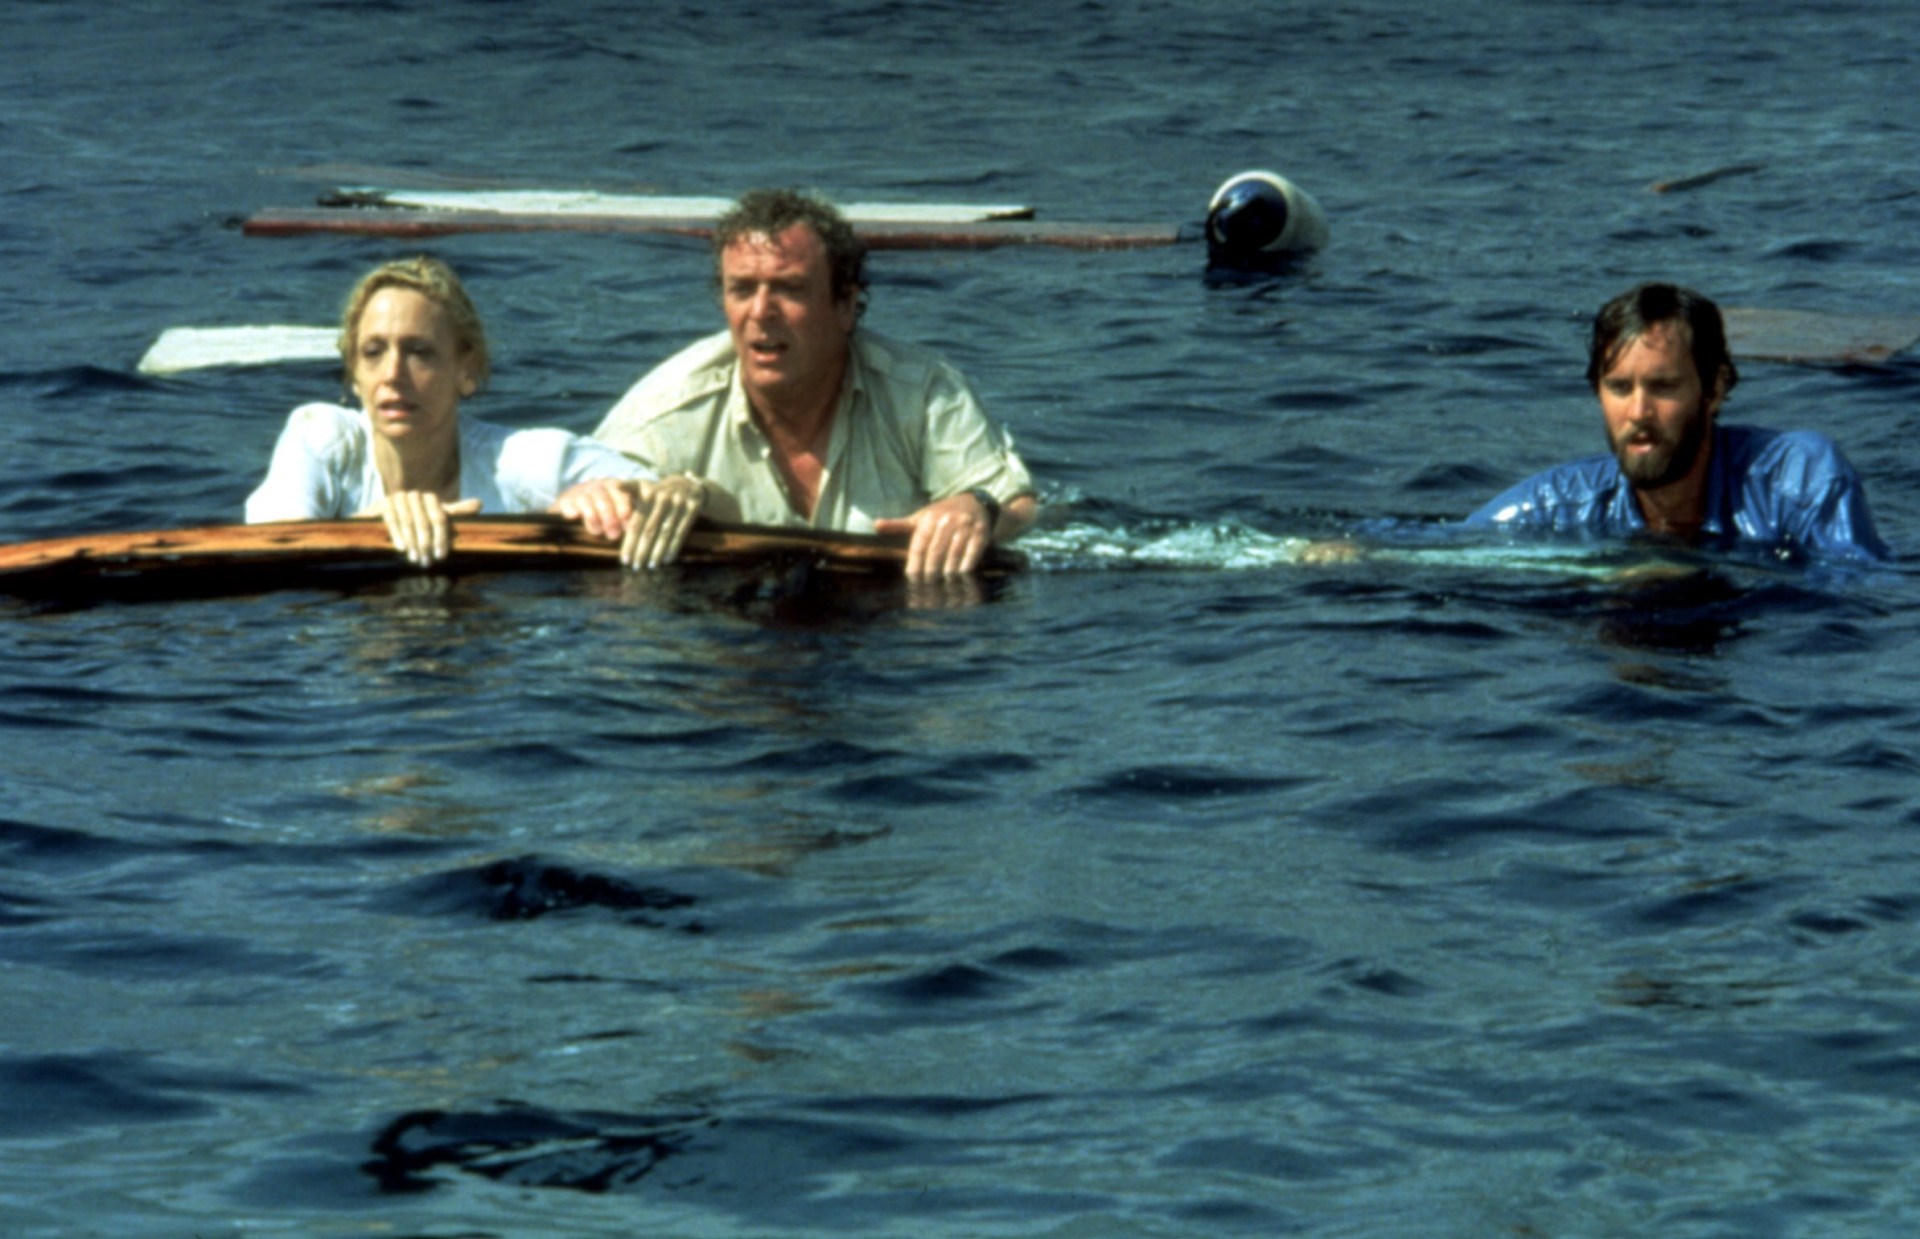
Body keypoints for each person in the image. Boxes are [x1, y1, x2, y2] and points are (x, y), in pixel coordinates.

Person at [559, 188, 1038, 580]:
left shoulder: (926, 393)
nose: (760, 312)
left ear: (845, 306)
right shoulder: (664, 407)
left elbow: (1020, 505)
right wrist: (609, 497)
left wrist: (976, 507)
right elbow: (581, 498)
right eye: (742, 289)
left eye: (789, 289)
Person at [246, 256, 702, 567]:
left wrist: (669, 491)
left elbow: (666, 490)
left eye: (419, 352)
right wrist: (374, 525)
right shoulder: (322, 438)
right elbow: (266, 545)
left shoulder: (522, 462)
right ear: (353, 375)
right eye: (372, 353)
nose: (393, 374)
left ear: (466, 371)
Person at [1467, 282, 1888, 562]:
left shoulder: (1801, 481)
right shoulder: (1559, 507)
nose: (1637, 412)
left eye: (1663, 387)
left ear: (1715, 389)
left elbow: (1853, 600)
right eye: (1618, 388)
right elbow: (1427, 551)